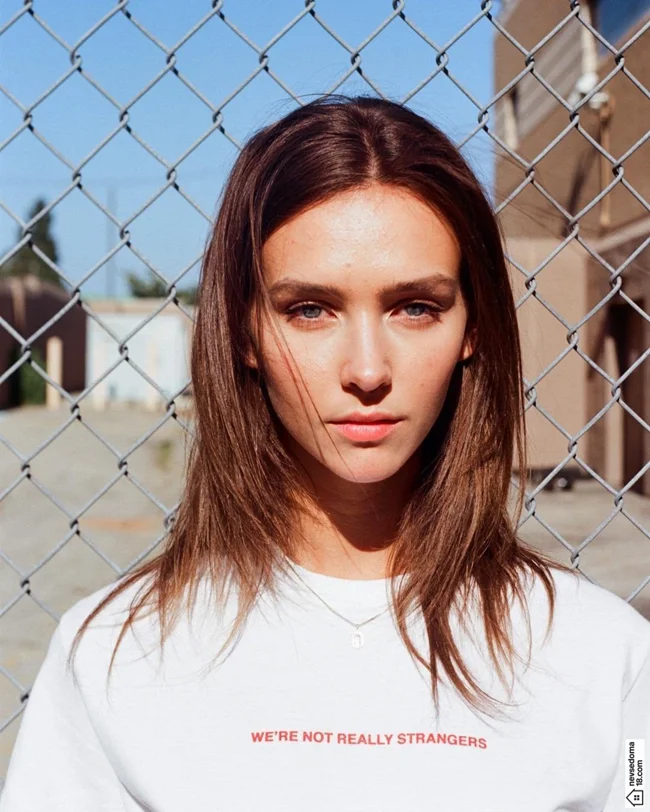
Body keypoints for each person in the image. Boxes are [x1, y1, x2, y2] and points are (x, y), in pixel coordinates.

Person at [1, 94, 648, 812]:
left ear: (473, 327)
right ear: (243, 332)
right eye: (310, 309)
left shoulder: (605, 658)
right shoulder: (112, 659)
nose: (367, 370)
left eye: (416, 307)